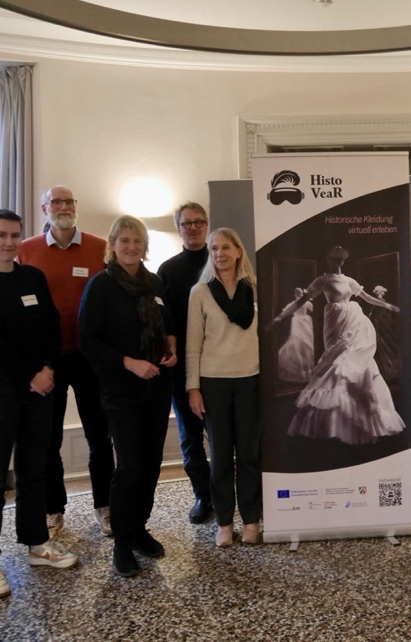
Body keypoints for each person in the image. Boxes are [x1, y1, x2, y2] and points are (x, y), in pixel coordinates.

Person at [0, 209, 77, 599]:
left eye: (15, 235)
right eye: (1, 235)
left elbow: (49, 326)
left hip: (37, 390)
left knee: (34, 471)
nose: (9, 242)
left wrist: (47, 369)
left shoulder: (32, 277)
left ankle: (36, 544)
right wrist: (33, 372)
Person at [79, 215, 177, 577]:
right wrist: (130, 363)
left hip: (156, 387)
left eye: (137, 241)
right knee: (130, 466)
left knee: (151, 464)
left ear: (145, 245)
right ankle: (121, 542)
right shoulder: (100, 286)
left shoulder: (153, 282)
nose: (131, 247)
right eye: (124, 241)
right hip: (121, 389)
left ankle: (139, 528)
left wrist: (171, 347)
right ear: (113, 245)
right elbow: (88, 341)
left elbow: (169, 326)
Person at [18, 185, 114, 540]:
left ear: (76, 206)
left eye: (69, 201)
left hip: (90, 357)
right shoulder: (26, 250)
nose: (63, 207)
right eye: (56, 202)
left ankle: (105, 507)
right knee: (48, 440)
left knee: (99, 436)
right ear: (44, 207)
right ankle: (53, 509)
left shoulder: (99, 247)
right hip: (49, 361)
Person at [274, 246, 404, 444]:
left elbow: (367, 297)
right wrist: (281, 315)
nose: (337, 262)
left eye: (340, 260)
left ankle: (360, 412)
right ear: (329, 259)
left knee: (355, 359)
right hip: (334, 321)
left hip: (352, 319)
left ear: (343, 261)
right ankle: (333, 417)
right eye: (334, 259)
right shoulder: (323, 280)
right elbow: (303, 300)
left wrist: (387, 305)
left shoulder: (349, 281)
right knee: (335, 360)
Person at [185, 228, 261, 547]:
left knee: (248, 455)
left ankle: (252, 519)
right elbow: (192, 345)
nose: (220, 254)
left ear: (239, 251)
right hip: (214, 383)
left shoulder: (255, 290)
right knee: (219, 456)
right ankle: (224, 521)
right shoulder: (200, 292)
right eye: (214, 248)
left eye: (226, 247)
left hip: (250, 380)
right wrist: (194, 388)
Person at [157, 202, 213, 524]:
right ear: (178, 228)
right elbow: (162, 319)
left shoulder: (220, 259)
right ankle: (202, 496)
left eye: (199, 222)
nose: (193, 228)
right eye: (186, 223)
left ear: (207, 226)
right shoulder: (166, 270)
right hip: (181, 370)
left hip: (219, 366)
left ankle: (225, 493)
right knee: (191, 437)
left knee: (221, 437)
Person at [277, 287, 314, 383]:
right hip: (300, 324)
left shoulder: (301, 303)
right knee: (302, 347)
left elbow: (286, 311)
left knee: (305, 347)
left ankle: (307, 370)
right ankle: (305, 370)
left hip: (302, 323)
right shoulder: (304, 303)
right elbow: (311, 308)